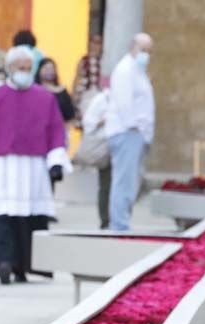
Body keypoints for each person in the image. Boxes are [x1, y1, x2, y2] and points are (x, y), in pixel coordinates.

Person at [0, 46, 71, 285]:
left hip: (33, 170)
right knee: (1, 217)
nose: (24, 72)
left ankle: (22, 267)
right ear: (9, 68)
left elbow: (55, 132)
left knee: (28, 221)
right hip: (1, 168)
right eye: (20, 67)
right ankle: (4, 263)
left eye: (28, 68)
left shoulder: (44, 98)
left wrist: (56, 162)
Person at [104, 33, 155, 231]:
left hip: (136, 133)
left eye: (149, 51)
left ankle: (122, 221)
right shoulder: (125, 69)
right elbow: (124, 102)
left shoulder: (137, 70)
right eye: (143, 50)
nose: (146, 55)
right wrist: (134, 127)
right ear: (132, 48)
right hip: (127, 132)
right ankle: (119, 224)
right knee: (124, 181)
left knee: (130, 182)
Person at [80, 80, 112, 229]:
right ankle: (105, 219)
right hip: (104, 148)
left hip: (120, 147)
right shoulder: (102, 99)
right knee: (106, 185)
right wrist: (105, 120)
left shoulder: (125, 98)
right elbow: (89, 123)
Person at [39, 57, 77, 122]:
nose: (49, 71)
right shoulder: (35, 91)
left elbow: (70, 114)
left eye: (51, 68)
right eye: (46, 68)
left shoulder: (61, 90)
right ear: (39, 71)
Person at [74, 32, 105, 108]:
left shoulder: (104, 61)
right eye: (92, 42)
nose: (94, 45)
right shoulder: (83, 61)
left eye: (97, 43)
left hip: (101, 96)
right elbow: (77, 79)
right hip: (86, 97)